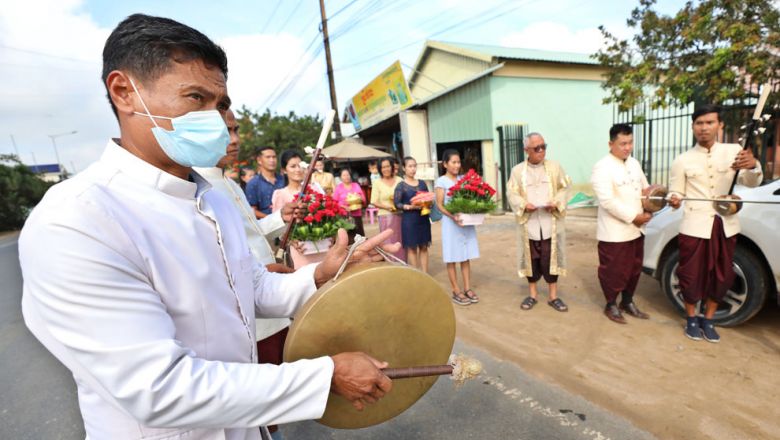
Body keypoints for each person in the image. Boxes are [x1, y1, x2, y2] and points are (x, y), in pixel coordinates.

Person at [19, 14, 396, 440]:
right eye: (194, 97)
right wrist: (323, 376)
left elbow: (249, 289)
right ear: (124, 92)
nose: (216, 121)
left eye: (218, 104)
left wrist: (322, 274)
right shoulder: (79, 220)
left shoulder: (211, 197)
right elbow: (158, 388)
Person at [194, 112, 298, 439]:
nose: (235, 139)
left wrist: (280, 218)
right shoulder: (198, 187)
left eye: (236, 130)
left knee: (275, 389)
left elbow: (250, 234)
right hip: (253, 307)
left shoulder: (227, 182)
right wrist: (255, 273)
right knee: (263, 393)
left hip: (269, 296)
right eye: (226, 131)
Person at [668, 104, 763, 342]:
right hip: (694, 225)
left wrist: (752, 165)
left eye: (709, 122)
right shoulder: (682, 160)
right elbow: (675, 191)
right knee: (690, 275)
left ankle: (708, 320)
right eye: (699, 123)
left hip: (725, 224)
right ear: (693, 127)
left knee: (722, 276)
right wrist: (674, 199)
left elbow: (751, 182)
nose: (704, 128)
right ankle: (691, 319)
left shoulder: (734, 151)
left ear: (720, 125)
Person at [591, 124, 652, 324]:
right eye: (622, 143)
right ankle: (611, 304)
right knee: (614, 271)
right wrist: (634, 216)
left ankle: (628, 301)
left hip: (636, 230)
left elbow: (645, 189)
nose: (627, 147)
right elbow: (607, 201)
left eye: (630, 142)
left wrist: (651, 204)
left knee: (634, 269)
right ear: (611, 144)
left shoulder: (633, 163)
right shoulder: (602, 167)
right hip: (615, 231)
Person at [506, 133, 570, 312]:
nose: (541, 151)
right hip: (530, 223)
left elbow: (565, 187)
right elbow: (511, 193)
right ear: (526, 150)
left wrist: (556, 202)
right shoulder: (517, 171)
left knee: (551, 258)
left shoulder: (555, 167)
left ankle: (553, 296)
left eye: (543, 146)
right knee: (531, 259)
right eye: (536, 148)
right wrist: (524, 204)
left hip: (550, 223)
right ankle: (532, 294)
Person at [435, 149, 480, 306]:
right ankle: (456, 290)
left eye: (458, 162)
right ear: (445, 164)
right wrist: (452, 216)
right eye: (453, 162)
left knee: (465, 256)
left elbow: (471, 197)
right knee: (452, 257)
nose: (457, 165)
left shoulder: (463, 179)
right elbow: (439, 205)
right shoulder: (441, 181)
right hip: (451, 224)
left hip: (465, 222)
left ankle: (467, 288)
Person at [395, 156, 432, 272]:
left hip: (423, 219)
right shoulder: (401, 186)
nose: (413, 169)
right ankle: (416, 274)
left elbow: (428, 198)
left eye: (415, 166)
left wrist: (428, 202)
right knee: (411, 248)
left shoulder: (422, 183)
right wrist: (409, 206)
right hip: (409, 220)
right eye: (410, 166)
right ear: (404, 168)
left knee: (424, 247)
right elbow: (397, 203)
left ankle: (425, 274)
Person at [370, 158, 406, 262]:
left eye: (388, 166)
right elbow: (374, 201)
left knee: (401, 241)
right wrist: (388, 207)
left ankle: (403, 265)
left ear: (392, 167)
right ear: (380, 169)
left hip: (400, 215)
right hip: (385, 216)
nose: (386, 169)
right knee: (388, 241)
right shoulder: (377, 183)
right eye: (383, 167)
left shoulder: (400, 180)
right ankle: (391, 265)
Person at [246, 146, 285, 219]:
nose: (272, 160)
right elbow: (252, 210)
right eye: (268, 157)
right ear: (259, 160)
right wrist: (272, 219)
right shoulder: (253, 184)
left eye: (274, 157)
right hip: (266, 226)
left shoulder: (283, 180)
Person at [333, 168, 366, 241]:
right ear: (340, 177)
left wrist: (358, 198)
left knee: (359, 236)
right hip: (344, 216)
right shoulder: (338, 188)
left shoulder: (356, 185)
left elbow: (363, 199)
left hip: (357, 214)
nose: (346, 177)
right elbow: (334, 202)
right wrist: (343, 206)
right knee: (348, 238)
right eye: (344, 175)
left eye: (347, 175)